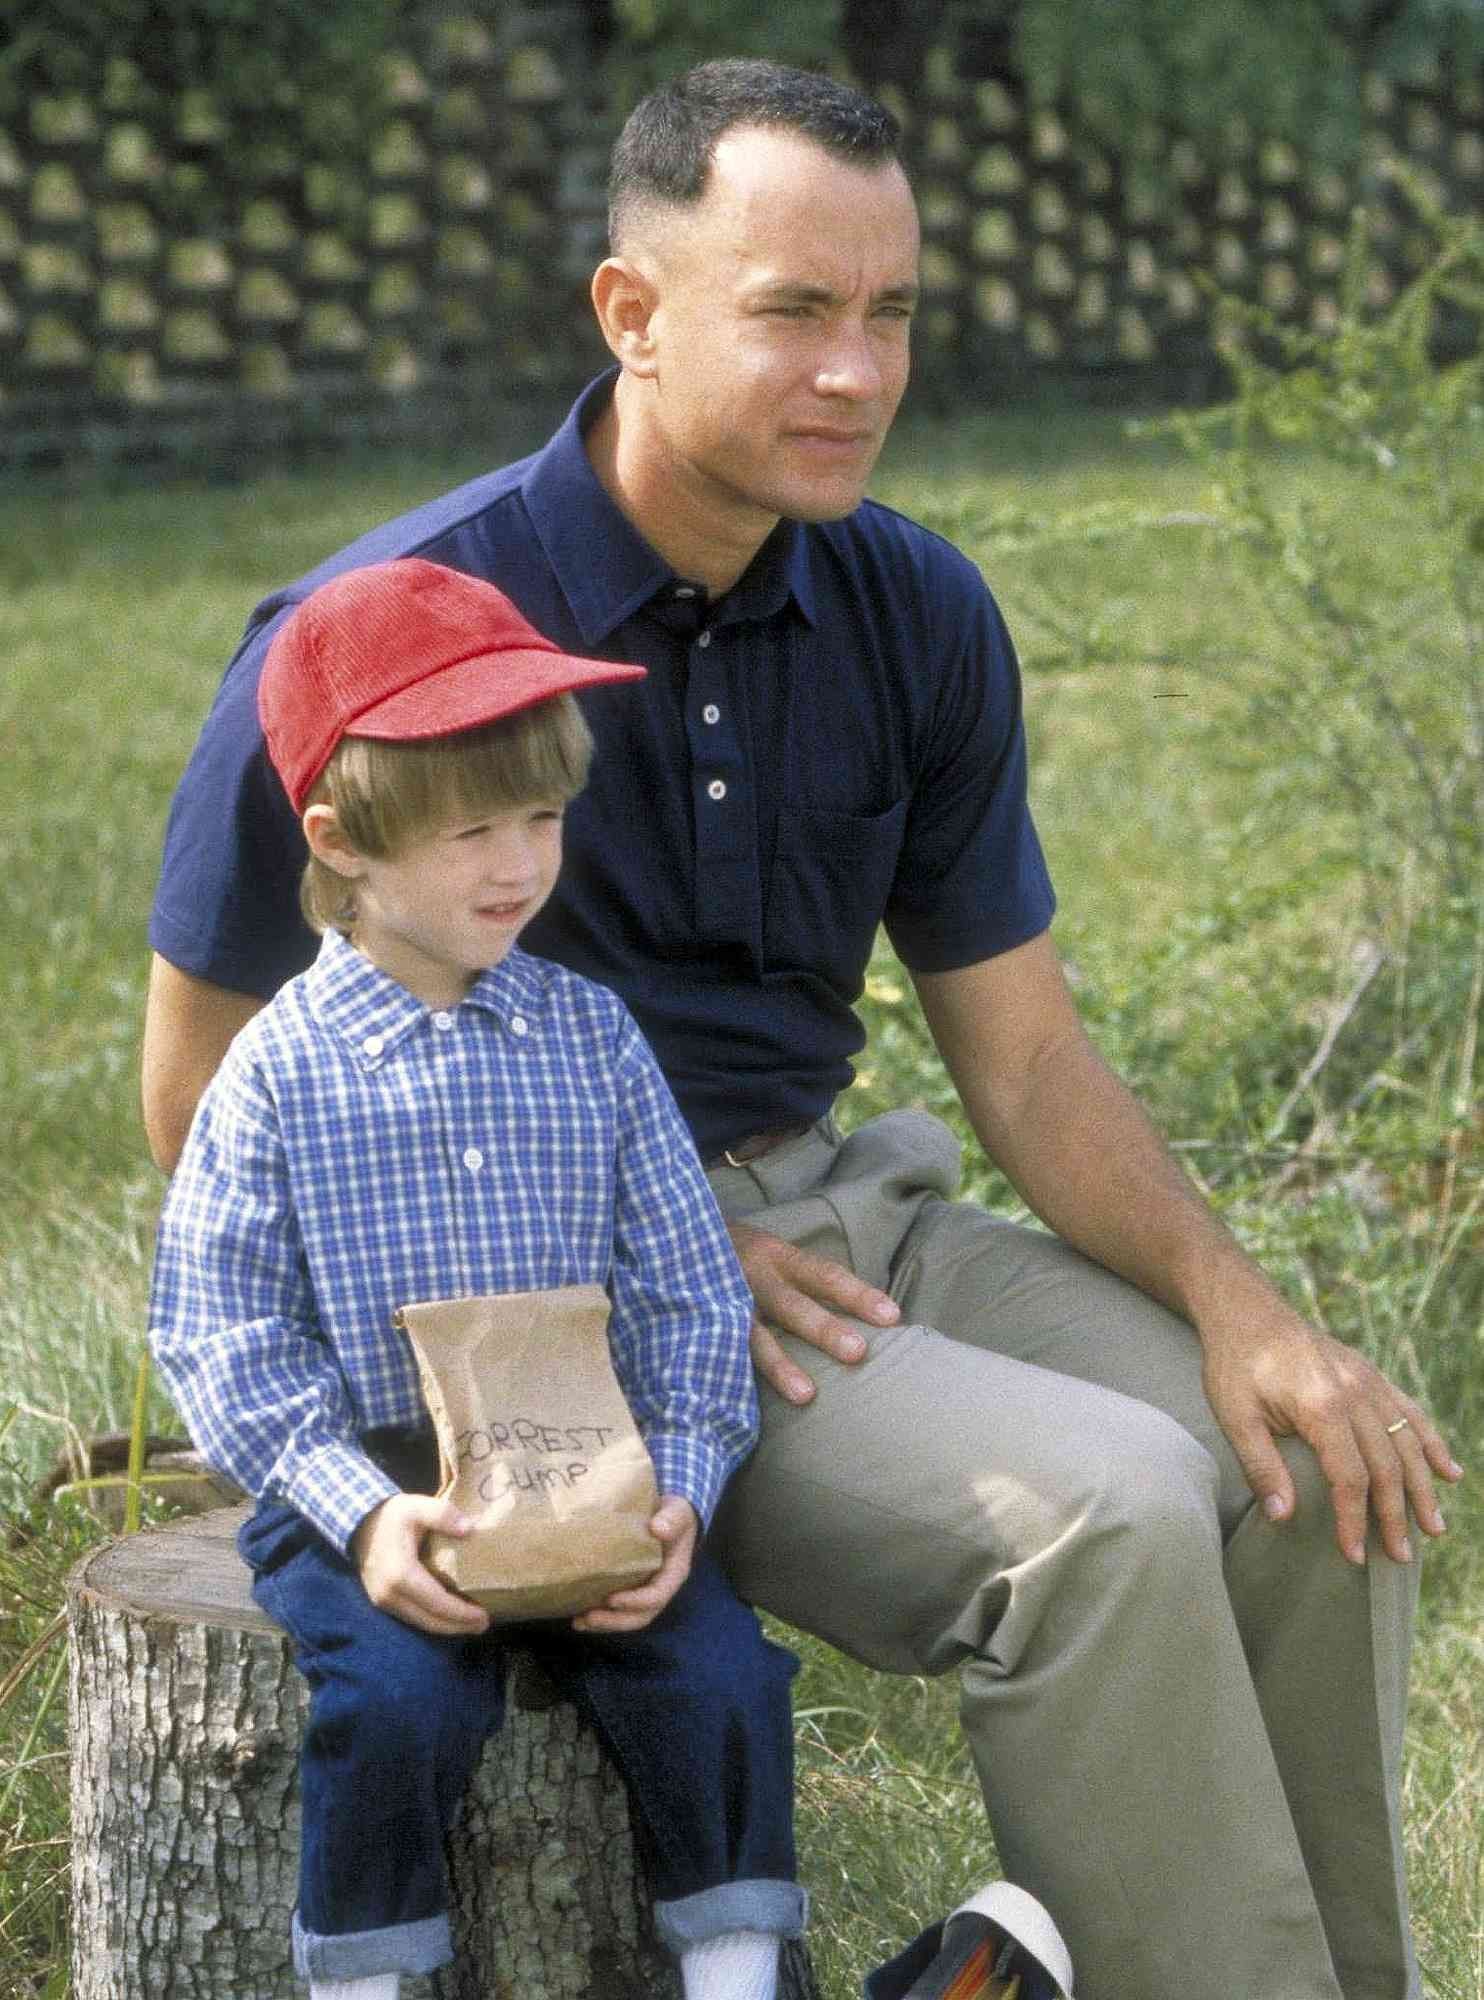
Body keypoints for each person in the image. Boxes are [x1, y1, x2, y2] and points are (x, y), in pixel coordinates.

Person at [141, 57, 1461, 2000]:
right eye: (793, 310)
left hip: (849, 1217)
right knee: (1100, 1516)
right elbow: (199, 1102)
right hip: (572, 1321)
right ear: (631, 311)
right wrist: (626, 1252)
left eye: (891, 312)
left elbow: (1026, 1059)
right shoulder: (385, 637)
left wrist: (1243, 1308)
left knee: (1314, 1472)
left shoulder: (913, 607)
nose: (857, 371)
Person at [147, 556, 808, 2000]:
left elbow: (689, 1286)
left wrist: (684, 1482)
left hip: (585, 1458)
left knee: (720, 1678)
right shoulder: (277, 1072)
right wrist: (359, 1510)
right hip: (376, 1479)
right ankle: (364, 1981)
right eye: (469, 832)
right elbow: (220, 1329)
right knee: (395, 1702)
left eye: (542, 817)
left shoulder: (593, 1038)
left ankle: (739, 1971)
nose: (518, 864)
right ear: (343, 843)